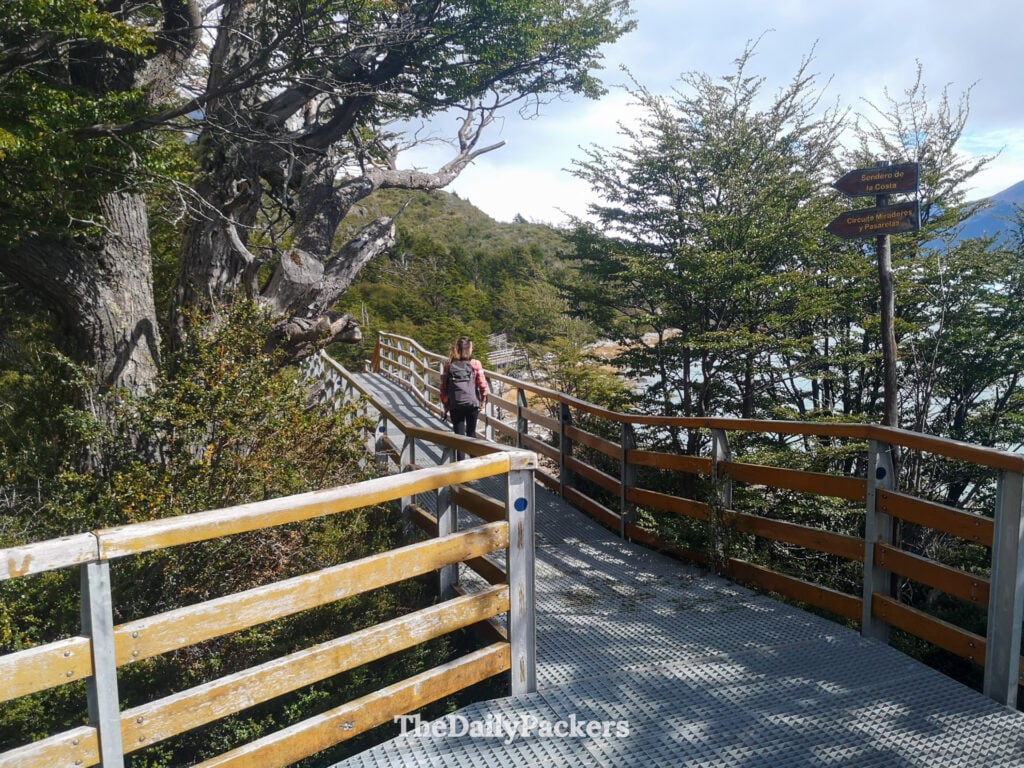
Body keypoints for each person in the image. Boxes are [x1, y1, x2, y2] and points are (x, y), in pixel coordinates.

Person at [440, 336, 489, 438]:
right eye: (471, 347)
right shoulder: (475, 363)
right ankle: (475, 454)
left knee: (459, 436)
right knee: (471, 433)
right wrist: (483, 400)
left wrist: (445, 402)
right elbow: (483, 385)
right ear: (468, 349)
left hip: (455, 403)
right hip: (472, 403)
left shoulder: (449, 364)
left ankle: (460, 454)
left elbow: (443, 386)